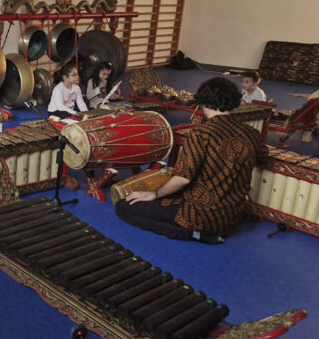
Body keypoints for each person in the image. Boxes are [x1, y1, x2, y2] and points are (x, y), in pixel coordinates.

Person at [115, 77, 268, 244]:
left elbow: (183, 179)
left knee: (123, 207)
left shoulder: (201, 134)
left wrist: (154, 194)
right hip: (230, 217)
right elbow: (263, 159)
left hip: (199, 215)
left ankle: (190, 234)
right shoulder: (252, 133)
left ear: (203, 102)